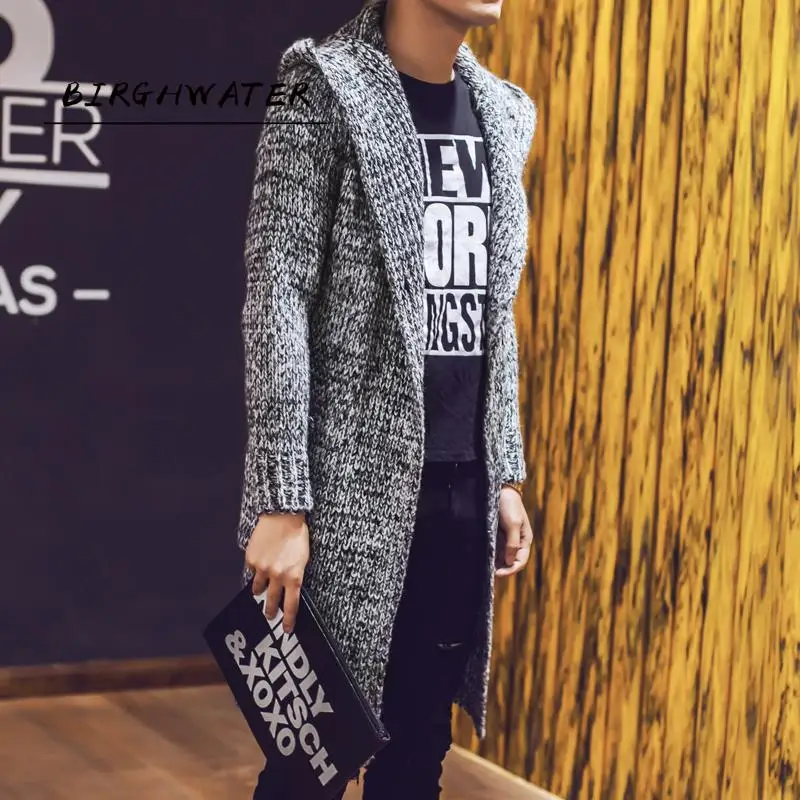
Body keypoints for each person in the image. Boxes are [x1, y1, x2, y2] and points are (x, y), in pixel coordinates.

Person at [239, 0, 536, 796]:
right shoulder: (321, 83)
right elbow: (278, 292)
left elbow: (493, 311)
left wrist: (504, 472)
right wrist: (281, 498)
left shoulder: (505, 112)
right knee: (308, 762)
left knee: (418, 753)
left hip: (461, 488)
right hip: (343, 492)